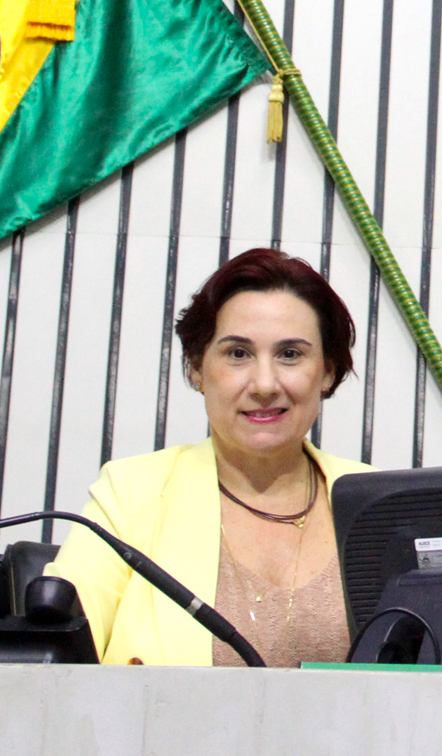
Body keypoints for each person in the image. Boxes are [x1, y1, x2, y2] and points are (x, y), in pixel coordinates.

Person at [47, 249, 371, 665]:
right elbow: (51, 661)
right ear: (196, 368)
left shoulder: (375, 502)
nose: (265, 384)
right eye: (238, 354)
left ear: (327, 371)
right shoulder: (133, 494)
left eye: (290, 354)